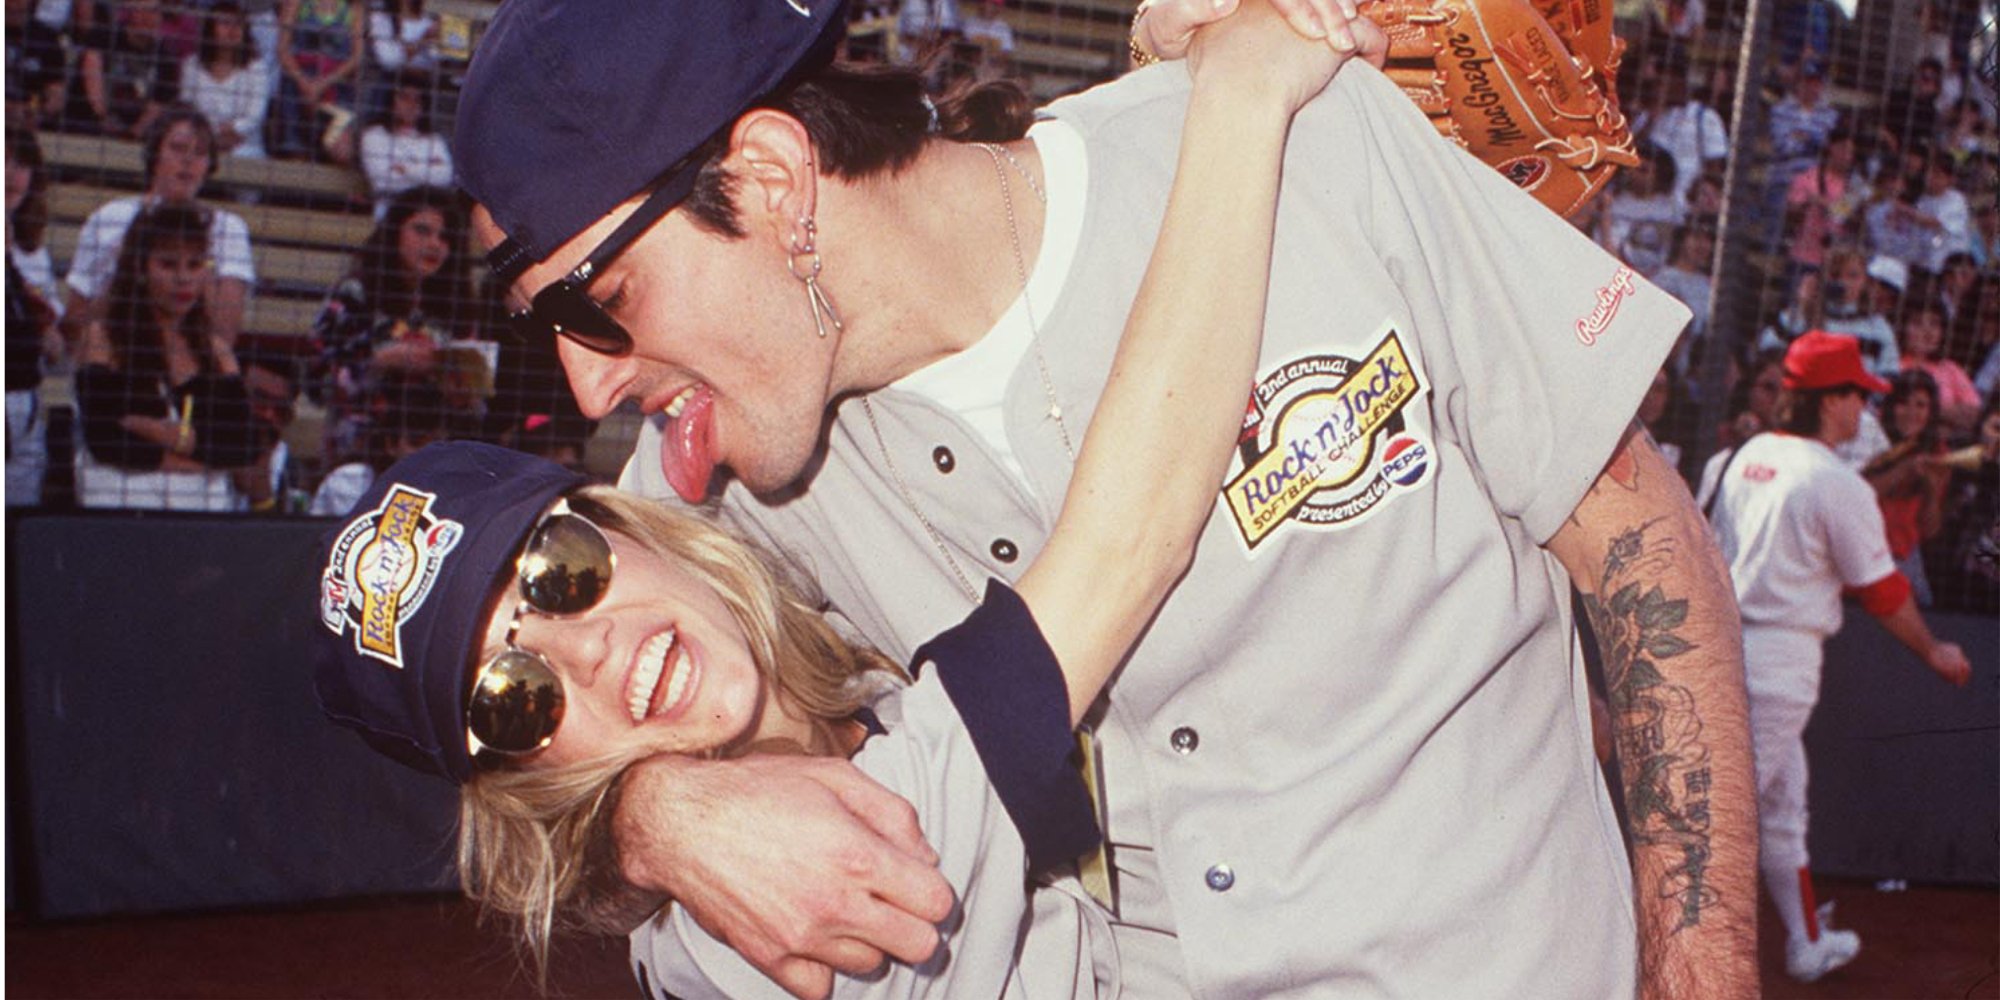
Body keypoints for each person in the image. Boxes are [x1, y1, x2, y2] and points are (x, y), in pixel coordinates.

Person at [453, 0, 1757, 996]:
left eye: (599, 304)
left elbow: (1645, 550)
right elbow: (492, 711)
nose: (584, 386)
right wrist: (657, 816)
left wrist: (1702, 973)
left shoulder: (1304, 137)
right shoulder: (710, 488)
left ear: (775, 181)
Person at [316, 16, 1350, 996]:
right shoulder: (770, 912)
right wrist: (1232, 99)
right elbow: (1121, 544)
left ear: (632, 530)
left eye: (559, 574)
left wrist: (647, 806)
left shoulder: (786, 643)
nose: (579, 651)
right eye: (512, 699)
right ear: (523, 784)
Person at [1695, 330, 1972, 983]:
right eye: (1857, 398)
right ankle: (1657, 965)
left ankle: (1805, 942)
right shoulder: (1833, 480)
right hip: (1779, 660)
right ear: (1830, 400)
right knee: (1717, 823)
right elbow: (1880, 589)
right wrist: (1934, 652)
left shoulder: (1735, 457)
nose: (1864, 412)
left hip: (1717, 643)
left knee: (1783, 805)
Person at [73, 200, 263, 510]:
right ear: (140, 267)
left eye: (195, 264)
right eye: (168, 264)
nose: (183, 279)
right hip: (120, 506)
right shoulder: (104, 339)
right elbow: (104, 439)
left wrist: (169, 436)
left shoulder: (215, 350)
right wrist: (199, 459)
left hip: (199, 513)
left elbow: (244, 443)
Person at [60, 106, 257, 349]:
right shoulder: (109, 218)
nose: (188, 160)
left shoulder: (229, 228)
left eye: (200, 152)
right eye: (177, 148)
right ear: (154, 154)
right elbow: (74, 325)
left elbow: (224, 334)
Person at [307, 184, 472, 463]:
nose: (434, 244)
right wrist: (379, 361)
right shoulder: (354, 293)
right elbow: (315, 383)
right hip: (358, 453)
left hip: (436, 456)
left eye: (445, 237)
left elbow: (474, 407)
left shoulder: (460, 306)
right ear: (394, 231)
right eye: (422, 231)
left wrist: (460, 388)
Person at [1862, 369, 1951, 605]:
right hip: (1862, 549)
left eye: (1921, 405)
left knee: (1923, 605)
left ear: (1931, 412)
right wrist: (1904, 470)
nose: (1912, 413)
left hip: (1903, 554)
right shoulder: (1870, 438)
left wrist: (1931, 490)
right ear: (1891, 407)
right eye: (1903, 403)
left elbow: (1930, 530)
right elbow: (1858, 494)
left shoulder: (1937, 452)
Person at [7, 124, 61, 506]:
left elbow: (54, 339)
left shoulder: (31, 248)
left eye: (22, 163)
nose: (11, 174)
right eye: (2, 161)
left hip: (26, 406)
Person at [72, 0, 180, 139]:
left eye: (154, 11)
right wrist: (104, 119)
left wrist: (134, 132)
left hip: (136, 136)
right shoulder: (102, 37)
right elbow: (93, 80)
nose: (147, 17)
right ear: (131, 11)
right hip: (88, 126)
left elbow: (158, 104)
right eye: (141, 10)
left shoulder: (165, 58)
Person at [269, 0, 362, 162]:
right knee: (296, 153)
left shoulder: (353, 9)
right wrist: (303, 82)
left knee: (340, 152)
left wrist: (323, 84)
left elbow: (356, 58)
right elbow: (282, 49)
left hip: (336, 86)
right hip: (298, 85)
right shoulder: (297, 3)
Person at [355, 68, 452, 216]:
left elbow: (445, 177)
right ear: (391, 100)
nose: (411, 105)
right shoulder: (373, 135)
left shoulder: (434, 139)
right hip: (388, 212)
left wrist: (404, 169)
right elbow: (382, 181)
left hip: (429, 213)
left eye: (417, 100)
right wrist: (427, 167)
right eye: (404, 98)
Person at [179, 2, 270, 160]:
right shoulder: (191, 66)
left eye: (238, 24)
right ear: (210, 28)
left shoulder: (257, 68)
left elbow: (255, 116)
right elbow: (187, 107)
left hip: (245, 147)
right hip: (201, 142)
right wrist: (214, 135)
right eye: (225, 23)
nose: (232, 30)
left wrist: (235, 129)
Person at [1898, 297, 1980, 431]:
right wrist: (1946, 412)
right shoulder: (1891, 364)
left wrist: (1930, 410)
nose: (1927, 332)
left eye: (1934, 324)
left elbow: (1973, 415)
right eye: (1918, 323)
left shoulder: (1950, 369)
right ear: (1903, 327)